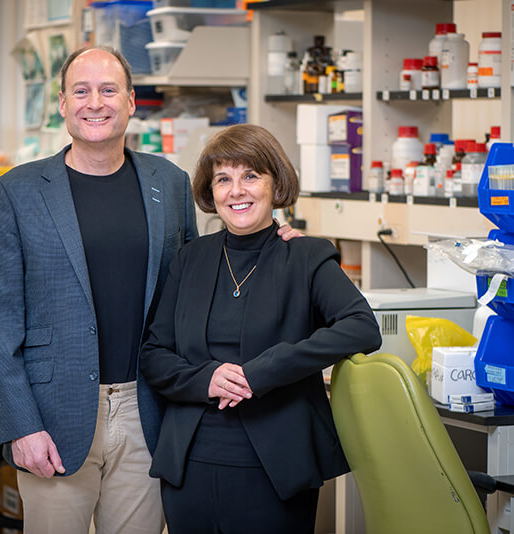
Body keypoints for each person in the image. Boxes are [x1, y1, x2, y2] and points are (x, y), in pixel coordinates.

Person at [0, 47, 298, 534]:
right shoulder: (15, 192)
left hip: (148, 410)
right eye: (81, 91)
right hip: (52, 415)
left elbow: (202, 279)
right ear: (62, 104)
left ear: (130, 102)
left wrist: (275, 242)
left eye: (108, 90)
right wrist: (20, 425)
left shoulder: (167, 183)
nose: (95, 102)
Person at [139, 124, 383, 534]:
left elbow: (361, 327)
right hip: (190, 465)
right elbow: (153, 353)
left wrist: (263, 372)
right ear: (211, 191)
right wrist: (207, 379)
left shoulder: (305, 256)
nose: (237, 191)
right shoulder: (190, 259)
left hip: (274, 466)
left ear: (276, 184)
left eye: (251, 175)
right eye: (223, 179)